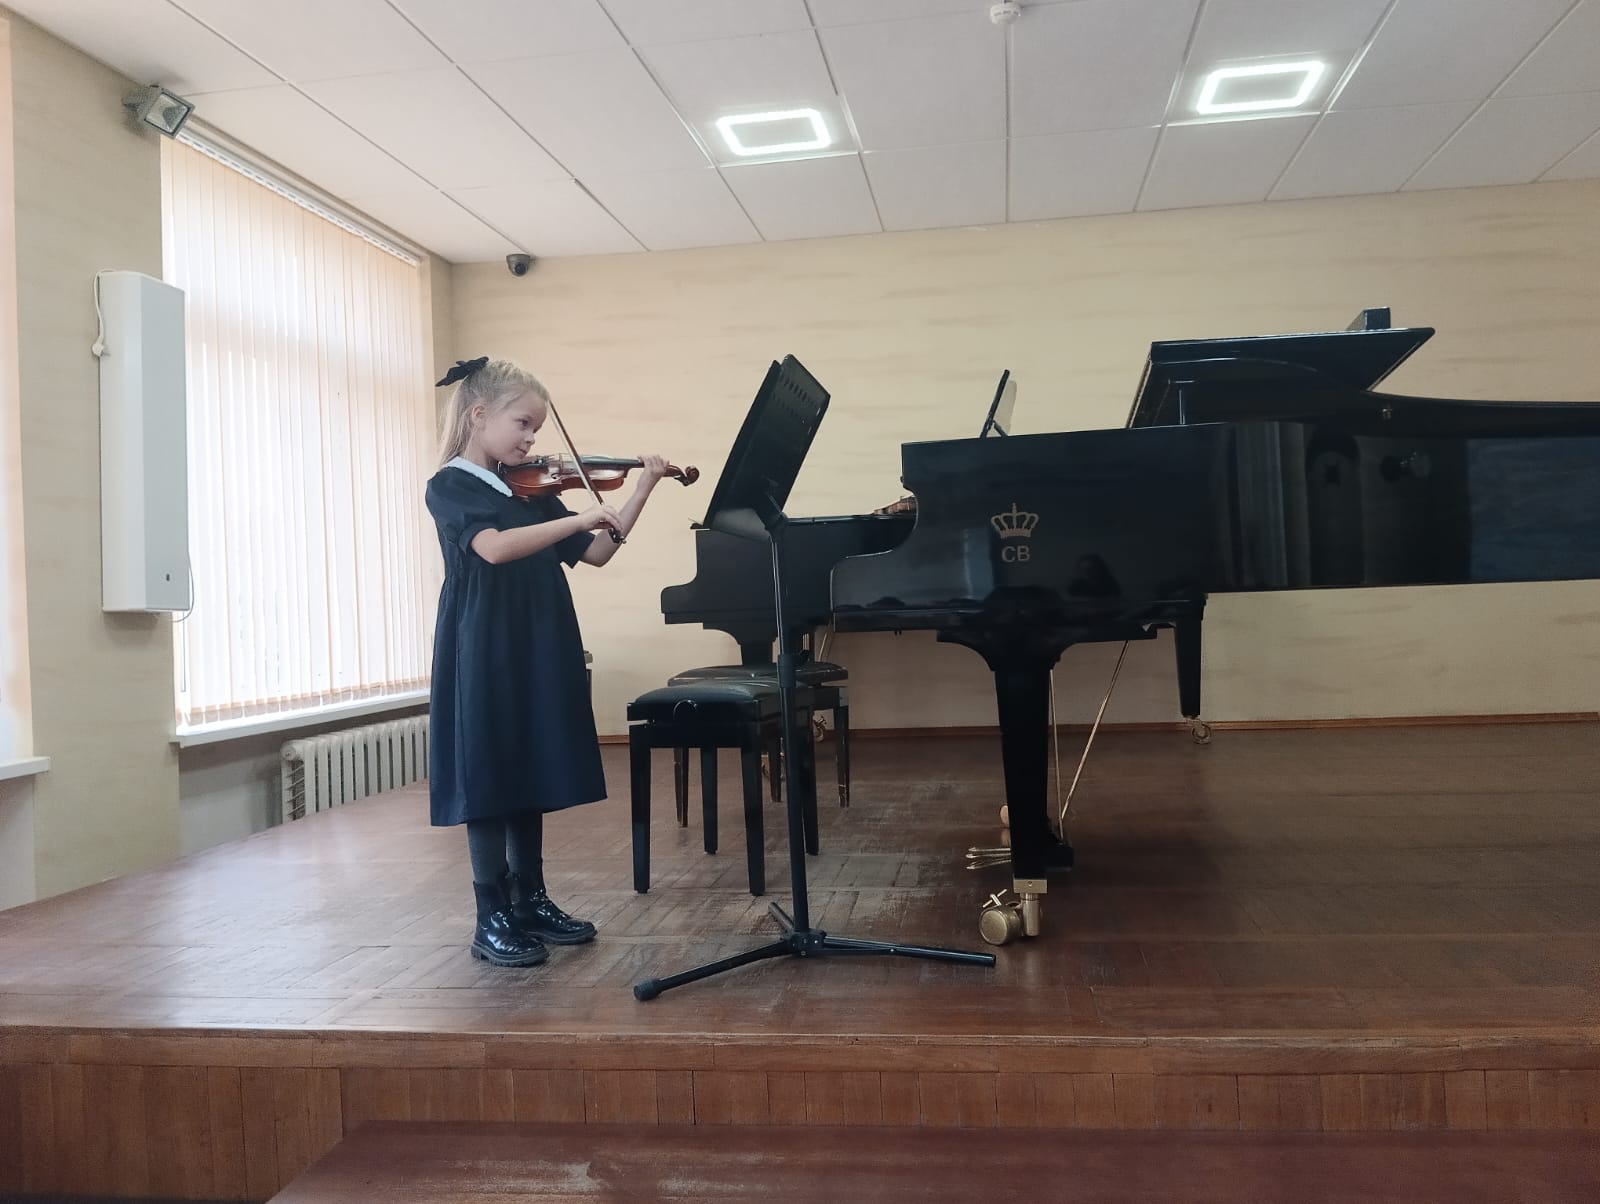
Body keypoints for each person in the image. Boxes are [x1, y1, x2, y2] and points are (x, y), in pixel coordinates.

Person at [425, 356, 668, 967]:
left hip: (536, 635)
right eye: (523, 424)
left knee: (526, 764)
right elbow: (493, 548)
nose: (532, 439)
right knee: (488, 772)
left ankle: (529, 898)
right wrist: (582, 513)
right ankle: (491, 916)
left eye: (536, 428)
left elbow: (596, 552)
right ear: (479, 415)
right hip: (484, 642)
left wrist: (642, 488)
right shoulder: (450, 486)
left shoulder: (529, 488)